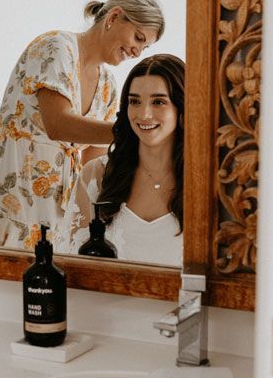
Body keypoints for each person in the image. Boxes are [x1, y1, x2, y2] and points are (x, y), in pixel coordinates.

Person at [0, 0, 165, 249]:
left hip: (58, 212)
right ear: (114, 17)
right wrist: (133, 132)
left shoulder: (108, 86)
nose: (138, 51)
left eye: (145, 46)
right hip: (11, 198)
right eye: (138, 38)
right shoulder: (57, 47)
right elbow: (58, 124)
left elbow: (92, 166)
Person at [59, 54, 184, 266]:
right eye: (134, 101)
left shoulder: (207, 179)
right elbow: (72, 264)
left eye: (158, 102)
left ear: (181, 108)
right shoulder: (96, 175)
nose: (144, 114)